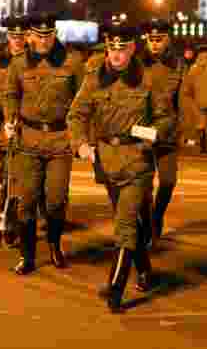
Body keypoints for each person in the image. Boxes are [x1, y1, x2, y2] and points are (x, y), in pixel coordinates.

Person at [67, 23, 175, 312]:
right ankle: (145, 270)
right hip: (106, 160)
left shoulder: (149, 79)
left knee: (124, 225)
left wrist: (153, 133)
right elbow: (76, 115)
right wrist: (79, 144)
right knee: (129, 221)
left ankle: (115, 290)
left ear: (132, 49)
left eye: (123, 48)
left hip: (137, 159)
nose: (116, 54)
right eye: (112, 48)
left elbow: (166, 118)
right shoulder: (94, 77)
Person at [2, 12, 85, 274]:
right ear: (30, 36)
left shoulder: (72, 61)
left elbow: (83, 99)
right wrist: (9, 118)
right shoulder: (19, 63)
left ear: (55, 34)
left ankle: (54, 243)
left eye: (48, 35)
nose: (44, 41)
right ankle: (27, 256)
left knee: (56, 200)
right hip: (28, 138)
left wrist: (82, 136)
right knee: (26, 201)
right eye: (39, 36)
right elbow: (11, 94)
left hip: (60, 139)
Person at [0, 14, 29, 239]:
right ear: (7, 37)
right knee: (6, 176)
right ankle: (7, 218)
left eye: (21, 36)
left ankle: (16, 221)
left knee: (20, 178)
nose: (17, 40)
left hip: (27, 128)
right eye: (13, 36)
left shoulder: (35, 61)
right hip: (4, 128)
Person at [139, 19, 183, 246]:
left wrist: (182, 126)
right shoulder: (136, 62)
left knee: (168, 181)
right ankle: (148, 224)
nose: (155, 44)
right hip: (142, 130)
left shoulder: (177, 64)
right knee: (144, 185)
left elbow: (182, 99)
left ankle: (157, 215)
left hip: (167, 131)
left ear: (168, 39)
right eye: (151, 39)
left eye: (159, 39)